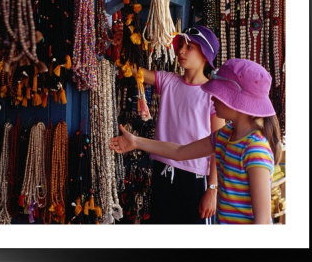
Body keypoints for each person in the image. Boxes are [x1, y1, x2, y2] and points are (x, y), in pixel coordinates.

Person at [111, 58, 282, 224]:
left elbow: (263, 222)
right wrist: (135, 142)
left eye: (218, 93)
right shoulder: (225, 135)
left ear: (237, 101)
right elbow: (180, 152)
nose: (212, 97)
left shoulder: (256, 150)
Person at [130, 25, 225, 224]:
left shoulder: (213, 96)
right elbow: (133, 71)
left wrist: (212, 189)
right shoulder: (168, 81)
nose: (181, 51)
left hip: (196, 178)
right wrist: (127, 38)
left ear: (205, 55)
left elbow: (219, 145)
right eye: (180, 45)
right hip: (163, 171)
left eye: (189, 47)